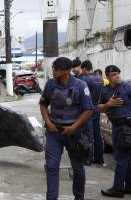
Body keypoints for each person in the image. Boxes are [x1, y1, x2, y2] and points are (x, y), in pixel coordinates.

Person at [39, 57, 93, 200]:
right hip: (54, 133)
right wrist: (48, 123)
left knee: (78, 168)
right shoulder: (50, 84)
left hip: (74, 133)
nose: (53, 71)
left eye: (55, 69)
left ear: (66, 71)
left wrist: (74, 127)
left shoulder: (81, 86)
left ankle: (79, 197)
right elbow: (43, 104)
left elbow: (88, 110)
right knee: (51, 166)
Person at [98, 65, 131, 198]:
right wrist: (109, 104)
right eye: (113, 74)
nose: (117, 76)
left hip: (127, 127)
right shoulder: (105, 90)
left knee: (121, 158)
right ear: (108, 77)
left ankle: (118, 188)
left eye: (118, 73)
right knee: (123, 157)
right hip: (115, 127)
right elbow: (99, 108)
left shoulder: (128, 87)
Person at [79, 60, 104, 165]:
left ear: (84, 68)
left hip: (88, 108)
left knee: (88, 134)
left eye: (82, 69)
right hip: (97, 107)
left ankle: (88, 158)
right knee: (97, 134)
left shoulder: (85, 79)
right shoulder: (100, 78)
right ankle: (99, 158)